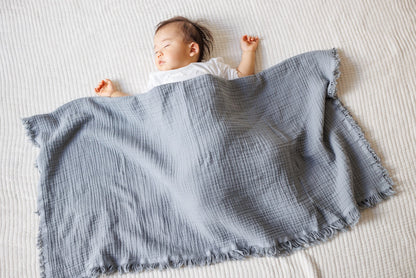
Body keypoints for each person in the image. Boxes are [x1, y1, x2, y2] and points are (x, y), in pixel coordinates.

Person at [95, 16, 259, 97]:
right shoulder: (158, 80)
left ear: (192, 49)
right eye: (156, 50)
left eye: (166, 45)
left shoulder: (211, 67)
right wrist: (114, 93)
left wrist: (248, 52)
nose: (159, 52)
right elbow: (141, 106)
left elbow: (243, 78)